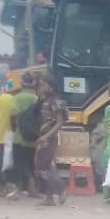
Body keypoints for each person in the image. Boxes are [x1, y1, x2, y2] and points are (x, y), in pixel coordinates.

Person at [34, 72, 68, 207]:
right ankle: (49, 197)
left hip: (49, 138)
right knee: (46, 167)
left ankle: (61, 188)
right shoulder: (44, 101)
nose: (41, 87)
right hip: (43, 137)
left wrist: (46, 136)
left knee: (43, 167)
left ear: (51, 87)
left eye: (43, 85)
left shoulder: (57, 102)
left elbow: (60, 123)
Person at [11, 72, 39, 197]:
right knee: (31, 164)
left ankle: (18, 190)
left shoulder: (17, 98)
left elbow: (13, 115)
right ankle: (33, 189)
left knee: (19, 165)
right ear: (34, 83)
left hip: (18, 137)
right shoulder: (36, 98)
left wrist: (14, 128)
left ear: (22, 83)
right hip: (33, 138)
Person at [0, 75, 19, 199]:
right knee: (6, 164)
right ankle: (6, 187)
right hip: (6, 136)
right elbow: (14, 117)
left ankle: (4, 187)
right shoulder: (10, 98)